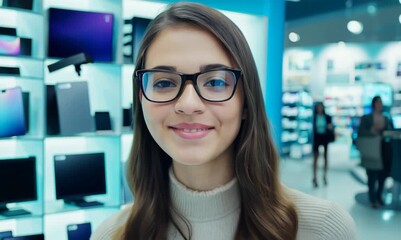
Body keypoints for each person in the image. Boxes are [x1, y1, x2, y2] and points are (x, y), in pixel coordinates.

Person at [91, 2, 356, 240]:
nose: (188, 104)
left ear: (245, 101)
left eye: (216, 82)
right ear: (142, 100)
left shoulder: (322, 229)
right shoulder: (113, 234)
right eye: (163, 83)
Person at [357, 96, 393, 208]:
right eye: (378, 102)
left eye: (381, 102)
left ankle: (379, 196)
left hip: (383, 149)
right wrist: (372, 131)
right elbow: (361, 132)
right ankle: (372, 198)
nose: (379, 105)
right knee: (371, 175)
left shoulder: (386, 118)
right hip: (371, 149)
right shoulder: (366, 118)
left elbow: (390, 132)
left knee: (383, 174)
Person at [312, 102, 334, 188]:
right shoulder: (314, 117)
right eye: (318, 107)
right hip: (317, 138)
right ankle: (314, 177)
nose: (319, 109)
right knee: (316, 157)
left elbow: (331, 127)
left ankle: (324, 175)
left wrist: (329, 127)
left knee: (325, 157)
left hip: (325, 138)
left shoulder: (327, 117)